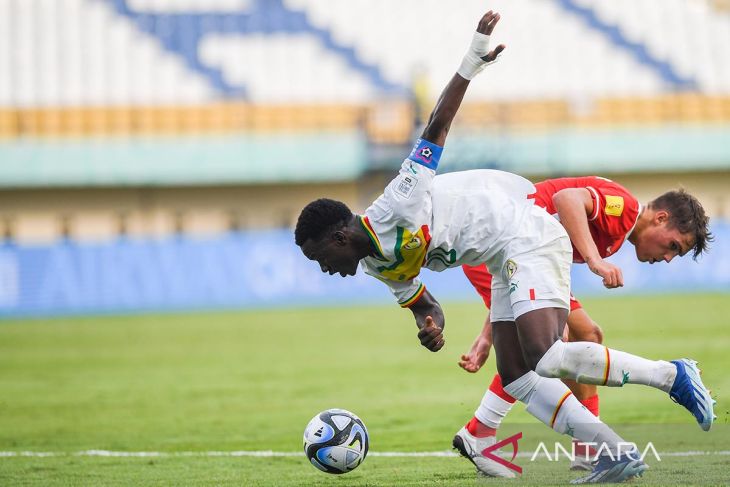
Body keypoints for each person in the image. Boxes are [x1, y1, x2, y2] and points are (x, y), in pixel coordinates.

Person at [294, 11, 715, 484]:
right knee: (517, 375)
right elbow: (423, 302)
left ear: (337, 237)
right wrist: (430, 325)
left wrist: (471, 61)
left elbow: (436, 125)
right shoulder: (377, 265)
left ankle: (671, 375)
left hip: (524, 229)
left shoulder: (397, 203)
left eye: (319, 258)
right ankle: (613, 452)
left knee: (548, 354)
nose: (324, 269)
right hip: (498, 257)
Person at [456, 178, 713, 474]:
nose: (667, 258)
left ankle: (579, 448)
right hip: (504, 248)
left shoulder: (618, 232)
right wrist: (594, 261)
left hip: (519, 254)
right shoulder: (625, 210)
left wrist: (488, 335)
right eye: (672, 246)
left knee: (584, 334)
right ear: (661, 217)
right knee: (553, 343)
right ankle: (486, 430)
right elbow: (567, 199)